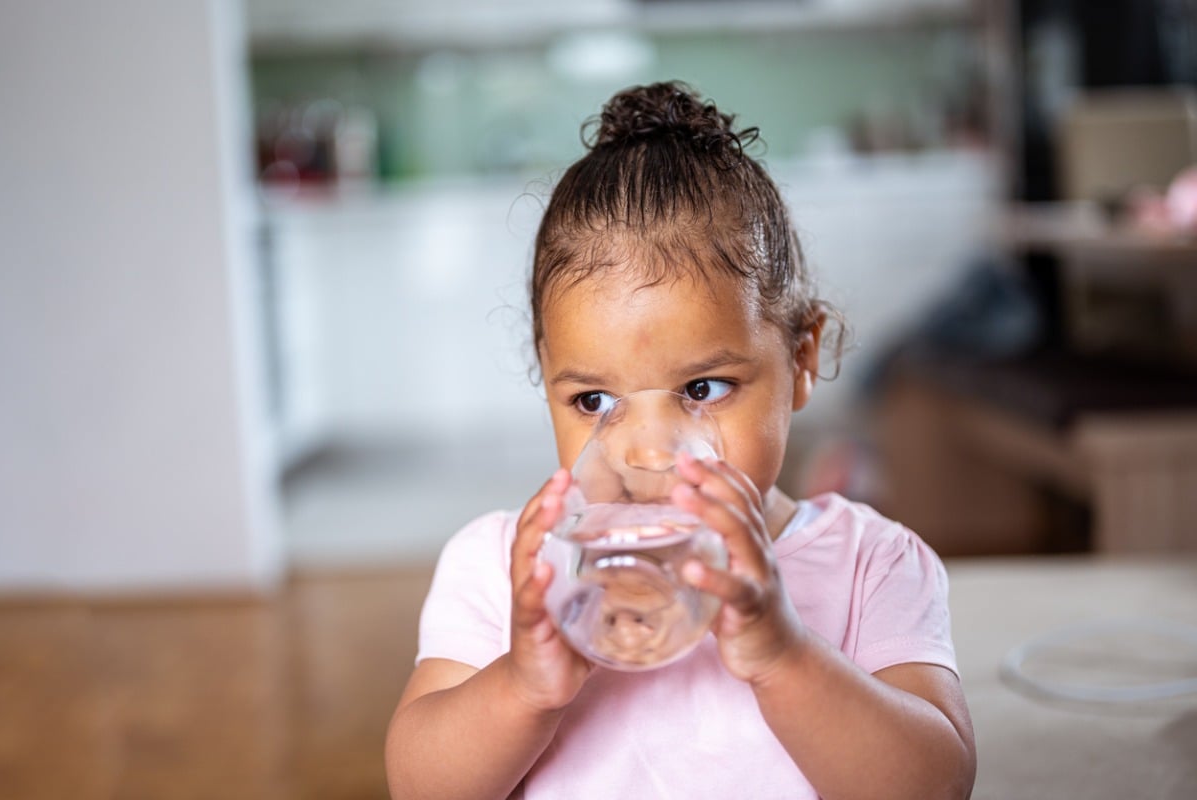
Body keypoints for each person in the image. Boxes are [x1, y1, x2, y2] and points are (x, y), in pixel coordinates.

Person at [385, 81, 976, 799]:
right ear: (545, 381)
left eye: (702, 390)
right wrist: (521, 685)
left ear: (801, 359)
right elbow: (420, 785)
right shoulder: (509, 571)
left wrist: (783, 654)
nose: (644, 451)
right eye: (593, 400)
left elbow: (935, 787)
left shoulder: (870, 565)